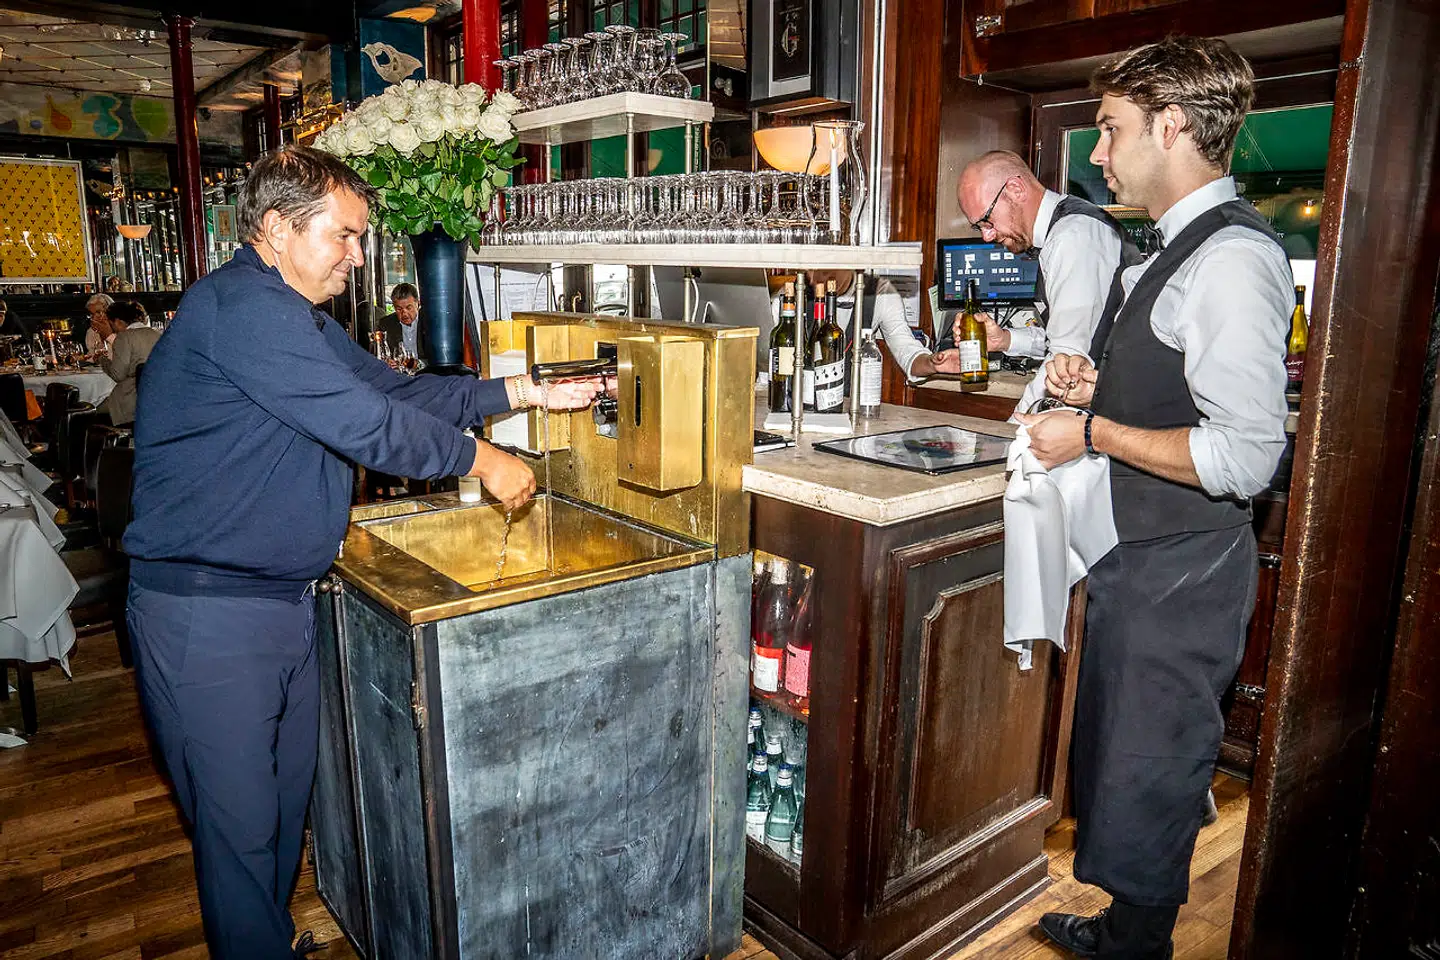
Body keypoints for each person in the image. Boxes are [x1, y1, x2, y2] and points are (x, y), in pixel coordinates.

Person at [121, 145, 607, 960]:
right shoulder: (243, 309)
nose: (358, 256)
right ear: (275, 229)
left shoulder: (294, 317)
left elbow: (395, 392)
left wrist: (522, 393)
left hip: (275, 606)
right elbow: (370, 428)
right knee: (238, 834)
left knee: (275, 812)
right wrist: (482, 460)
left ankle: (268, 940)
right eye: (344, 237)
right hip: (208, 613)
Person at [1016, 37, 1291, 959]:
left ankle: (1139, 947)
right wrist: (1098, 387)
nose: (1098, 154)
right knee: (1128, 757)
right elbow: (1178, 392)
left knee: (1157, 763)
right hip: (1144, 558)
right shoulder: (1171, 251)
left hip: (1187, 568)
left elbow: (1248, 455)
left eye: (1110, 128)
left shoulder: (1231, 260)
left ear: (1171, 126)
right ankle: (1129, 934)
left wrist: (1090, 432)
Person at [933, 151, 1137, 412]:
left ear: (1016, 189)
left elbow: (1065, 361)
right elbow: (1076, 335)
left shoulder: (1074, 236)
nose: (986, 236)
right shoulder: (1058, 234)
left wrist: (1016, 432)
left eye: (987, 220)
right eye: (979, 227)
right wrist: (1005, 340)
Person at [100, 301, 161, 426]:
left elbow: (118, 375)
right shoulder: (157, 333)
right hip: (158, 399)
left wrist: (102, 360)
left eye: (111, 324)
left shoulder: (124, 337)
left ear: (117, 322)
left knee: (92, 412)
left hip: (132, 400)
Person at [375, 281, 424, 362]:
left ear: (418, 304)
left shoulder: (429, 322)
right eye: (399, 309)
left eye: (409, 308)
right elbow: (379, 355)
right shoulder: (385, 325)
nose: (404, 313)